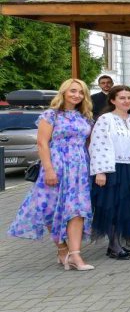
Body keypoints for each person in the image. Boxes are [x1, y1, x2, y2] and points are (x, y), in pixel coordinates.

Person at [8, 80, 95, 269]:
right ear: (63, 92)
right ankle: (62, 249)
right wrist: (48, 169)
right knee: (49, 209)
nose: (77, 95)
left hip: (79, 168)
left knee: (77, 210)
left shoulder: (85, 116)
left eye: (81, 92)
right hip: (56, 165)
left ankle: (76, 256)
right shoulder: (51, 115)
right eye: (73, 91)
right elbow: (42, 143)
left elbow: (88, 143)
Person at [88, 86, 130, 260]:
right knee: (113, 205)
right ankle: (113, 245)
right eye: (122, 98)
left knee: (127, 205)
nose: (126, 101)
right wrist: (100, 172)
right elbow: (97, 145)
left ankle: (117, 242)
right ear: (112, 100)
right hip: (112, 168)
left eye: (129, 97)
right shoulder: (106, 119)